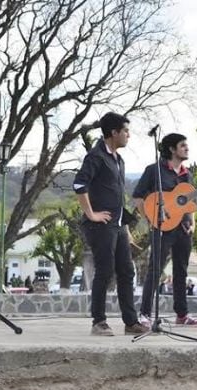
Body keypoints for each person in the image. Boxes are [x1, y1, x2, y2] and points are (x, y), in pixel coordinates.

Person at [73, 112, 148, 336]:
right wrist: (91, 214)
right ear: (113, 133)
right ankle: (98, 322)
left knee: (126, 271)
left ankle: (130, 322)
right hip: (100, 225)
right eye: (125, 131)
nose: (128, 135)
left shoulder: (119, 160)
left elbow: (116, 196)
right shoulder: (96, 156)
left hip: (118, 225)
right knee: (104, 271)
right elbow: (79, 185)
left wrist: (125, 227)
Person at [133, 133, 197, 327]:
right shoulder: (154, 170)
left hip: (184, 229)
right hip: (162, 226)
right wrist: (151, 219)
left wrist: (193, 223)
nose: (187, 148)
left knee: (181, 271)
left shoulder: (186, 174)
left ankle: (182, 315)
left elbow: (190, 201)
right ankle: (145, 314)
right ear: (172, 149)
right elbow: (138, 197)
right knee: (155, 269)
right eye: (183, 145)